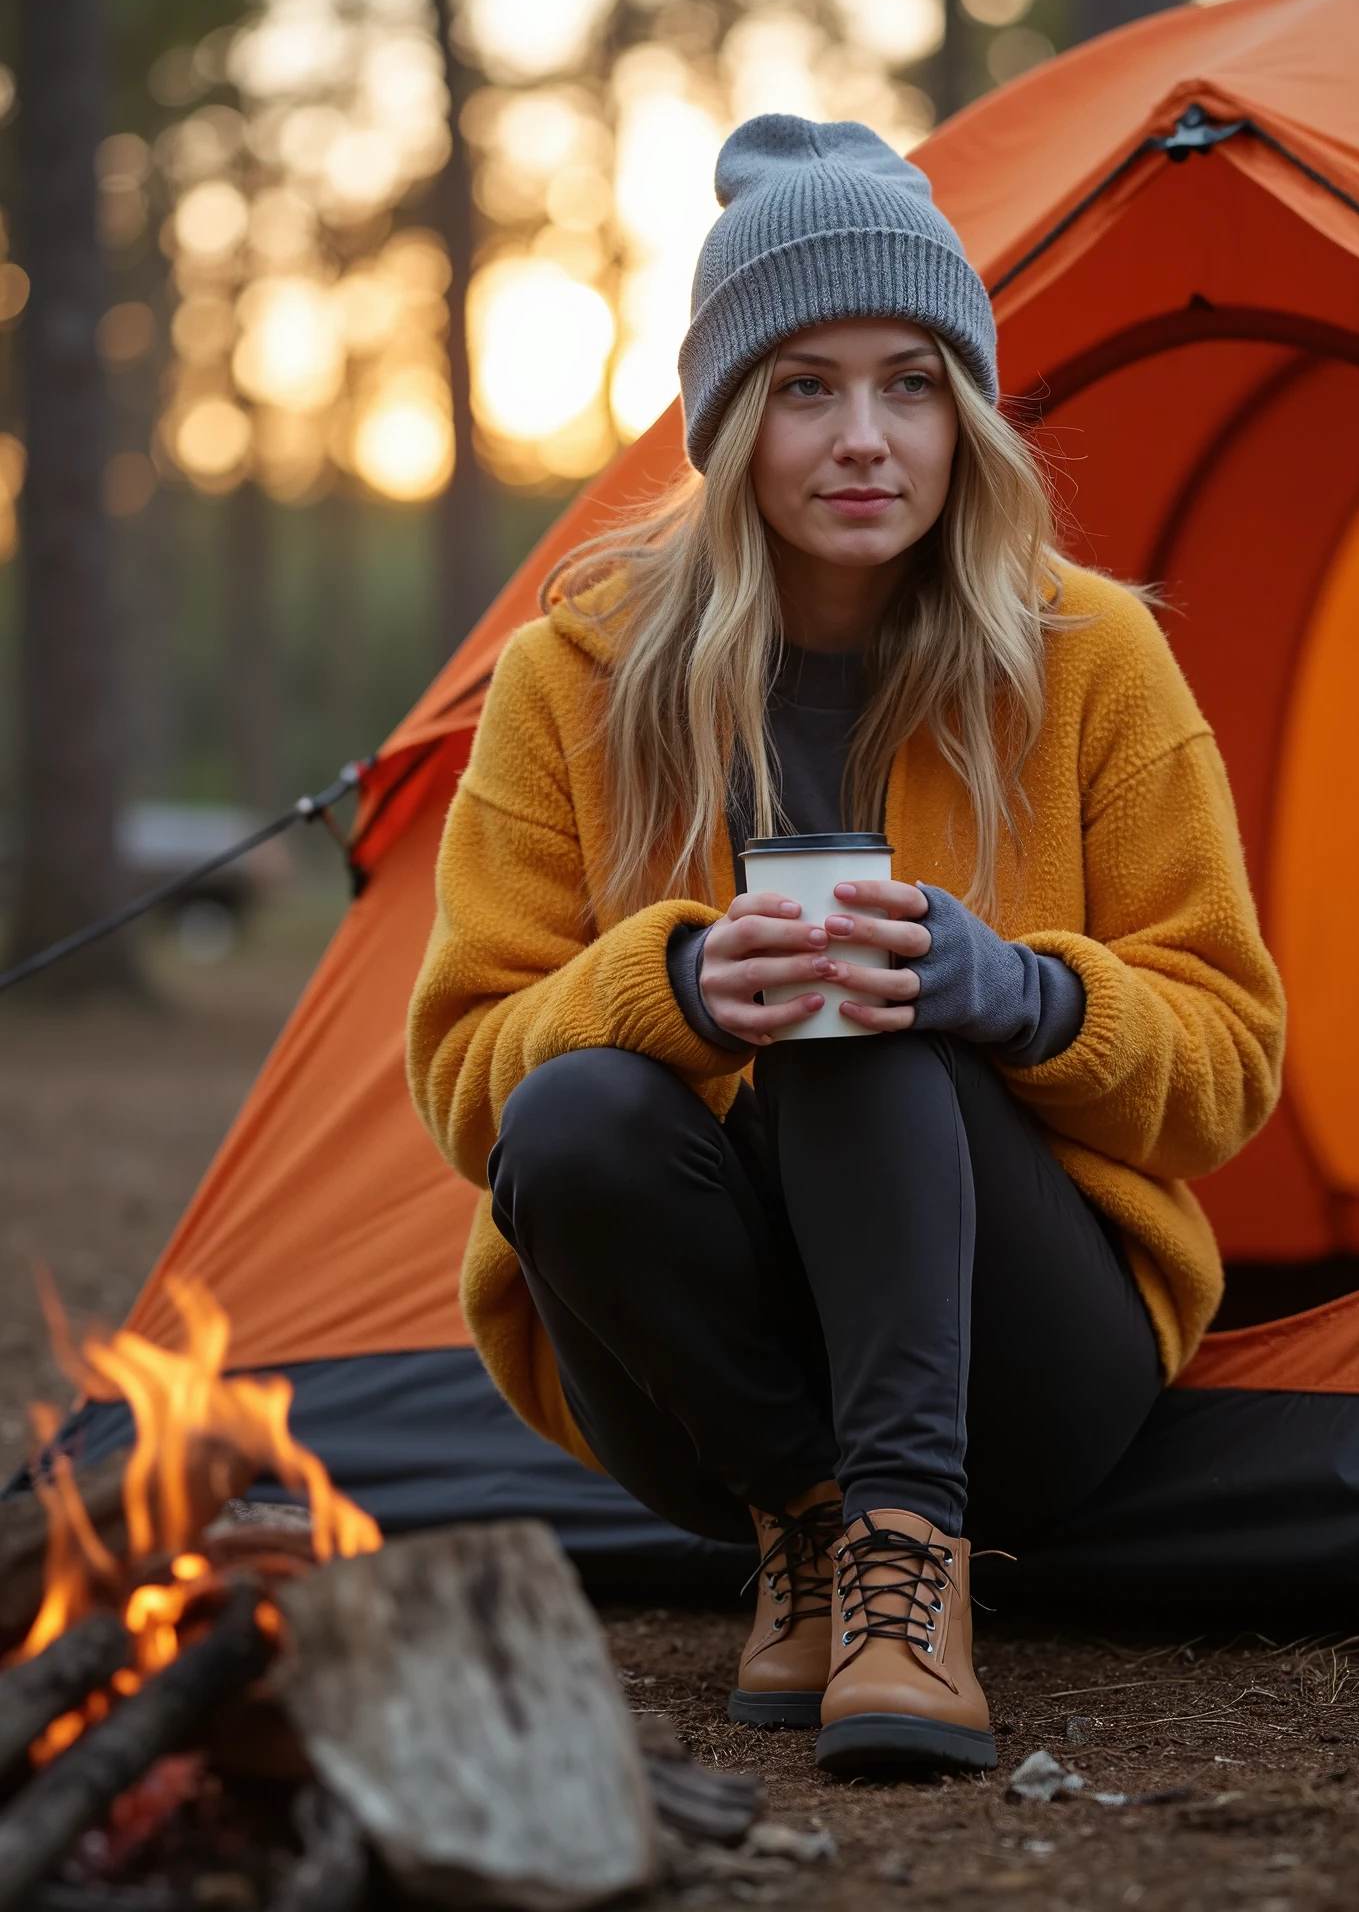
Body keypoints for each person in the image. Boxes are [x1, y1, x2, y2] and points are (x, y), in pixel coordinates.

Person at [408, 114, 1286, 1778]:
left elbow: (1230, 1073)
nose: (863, 438)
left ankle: (908, 1559)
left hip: (1024, 1375)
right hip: (704, 1410)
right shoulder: (575, 681)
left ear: (966, 413)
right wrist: (662, 991)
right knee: (580, 1103)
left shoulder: (1087, 658)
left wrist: (1011, 995)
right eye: (805, 386)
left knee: (865, 986)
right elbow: (468, 1079)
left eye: (910, 383)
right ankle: (813, 1531)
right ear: (728, 420)